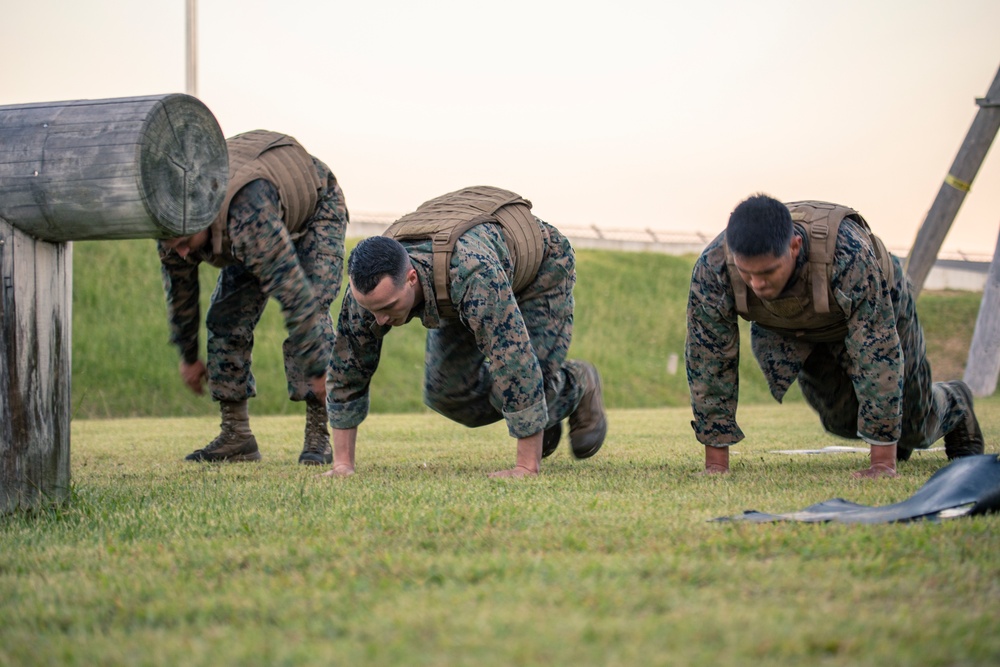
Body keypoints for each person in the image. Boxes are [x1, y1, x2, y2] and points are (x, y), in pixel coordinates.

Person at [686, 194, 984, 478]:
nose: (757, 284)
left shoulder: (848, 255)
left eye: (768, 272)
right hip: (798, 325)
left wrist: (882, 465)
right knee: (841, 422)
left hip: (880, 307)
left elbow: (876, 353)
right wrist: (716, 464)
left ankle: (954, 401)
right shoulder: (713, 267)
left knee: (915, 425)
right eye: (747, 273)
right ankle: (896, 440)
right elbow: (709, 360)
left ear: (794, 246)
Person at [321, 185, 607, 478]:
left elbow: (512, 360)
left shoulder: (471, 273)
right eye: (372, 310)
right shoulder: (368, 294)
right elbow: (347, 369)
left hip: (539, 268)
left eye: (389, 307)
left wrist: (525, 466)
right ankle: (544, 413)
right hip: (463, 279)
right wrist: (343, 465)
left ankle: (577, 383)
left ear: (410, 278)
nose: (379, 320)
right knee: (447, 393)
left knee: (507, 388)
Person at [158, 129, 348, 465]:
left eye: (186, 241)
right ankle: (236, 435)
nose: (184, 253)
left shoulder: (248, 216)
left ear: (204, 215)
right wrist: (188, 355)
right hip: (250, 221)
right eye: (175, 246)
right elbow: (181, 295)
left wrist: (319, 370)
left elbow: (294, 295)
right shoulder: (173, 226)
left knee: (313, 308)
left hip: (315, 208)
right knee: (226, 319)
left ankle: (319, 434)